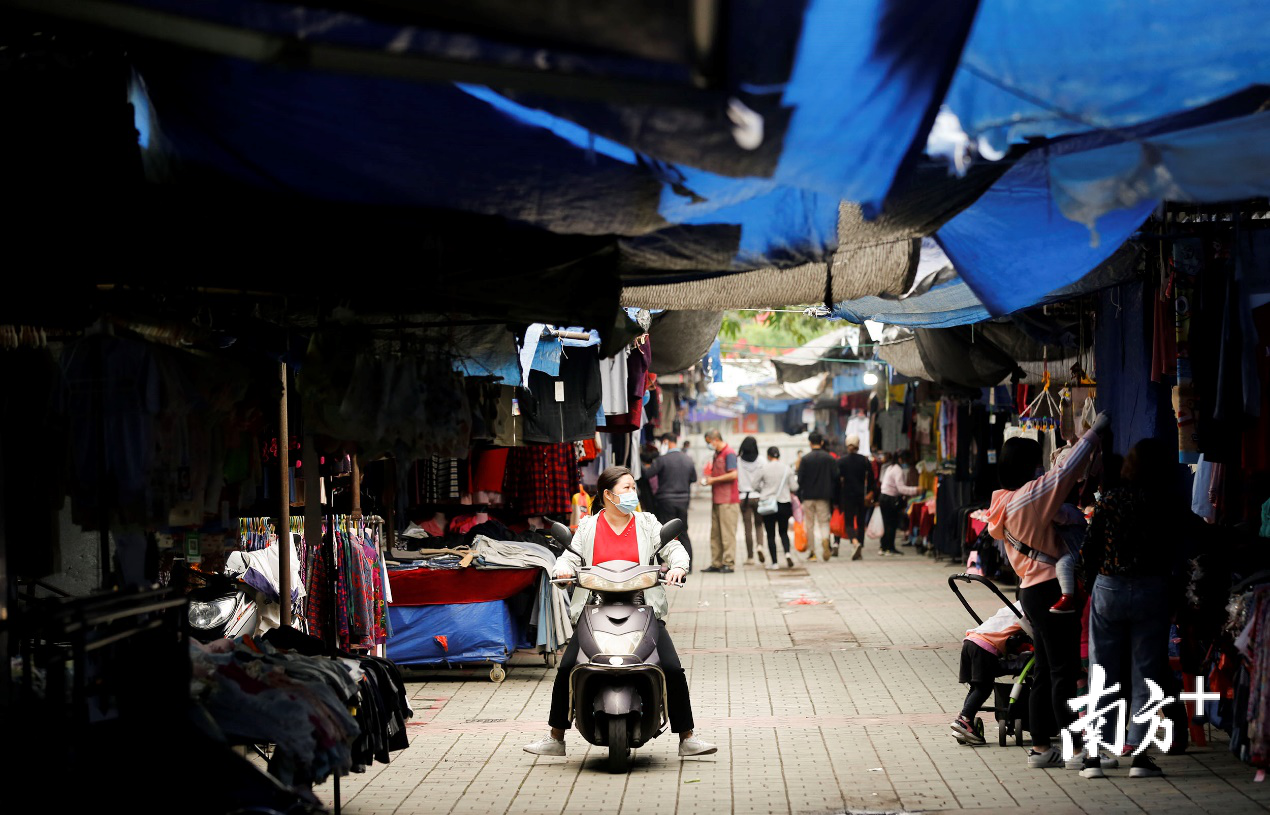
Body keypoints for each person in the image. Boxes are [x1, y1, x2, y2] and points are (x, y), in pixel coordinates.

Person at [524, 466, 717, 759]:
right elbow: (569, 556)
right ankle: (556, 736)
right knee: (566, 669)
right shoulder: (588, 527)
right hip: (594, 608)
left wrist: (678, 566)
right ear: (608, 495)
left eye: (633, 488)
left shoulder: (647, 523)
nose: (632, 494)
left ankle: (687, 736)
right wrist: (562, 568)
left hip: (642, 607)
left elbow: (674, 550)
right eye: (626, 488)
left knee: (672, 667)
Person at [987, 411, 1119, 773]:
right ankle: (1078, 750)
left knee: (1045, 671)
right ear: (1027, 467)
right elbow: (1064, 474)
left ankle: (1042, 748)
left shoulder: (1001, 503)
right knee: (1062, 671)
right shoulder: (1028, 498)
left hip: (1031, 591)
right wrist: (1094, 432)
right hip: (1051, 591)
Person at [1076, 437, 1196, 779]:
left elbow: (1088, 550)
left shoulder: (1110, 500)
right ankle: (1140, 758)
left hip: (1109, 589)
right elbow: (1184, 545)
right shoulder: (1165, 503)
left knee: (1102, 672)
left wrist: (1092, 584)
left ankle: (1093, 758)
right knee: (1147, 674)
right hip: (1151, 589)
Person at [951, 607, 1034, 745]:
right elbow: (1034, 635)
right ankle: (964, 721)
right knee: (984, 688)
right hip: (984, 647)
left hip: (970, 642)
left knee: (976, 687)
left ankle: (965, 721)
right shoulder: (1027, 612)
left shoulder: (1011, 608)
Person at [641, 432, 696, 566]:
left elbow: (648, 474)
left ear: (665, 442)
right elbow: (693, 478)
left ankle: (665, 563)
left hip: (666, 500)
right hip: (683, 500)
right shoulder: (687, 459)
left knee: (666, 532)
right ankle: (688, 564)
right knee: (683, 531)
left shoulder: (662, 460)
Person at [751, 446, 798, 570]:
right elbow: (794, 487)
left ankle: (775, 562)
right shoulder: (787, 468)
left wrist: (764, 491)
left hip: (768, 505)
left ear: (768, 456)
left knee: (770, 534)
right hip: (784, 503)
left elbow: (754, 485)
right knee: (783, 532)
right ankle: (787, 553)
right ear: (779, 456)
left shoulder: (763, 468)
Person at [700, 429, 739, 573]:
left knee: (727, 534)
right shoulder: (717, 453)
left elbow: (734, 474)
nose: (709, 445)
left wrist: (713, 480)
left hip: (728, 501)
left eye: (709, 442)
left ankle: (728, 563)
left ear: (715, 439)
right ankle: (716, 563)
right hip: (717, 499)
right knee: (715, 533)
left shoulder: (729, 453)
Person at [796, 431, 837, 562]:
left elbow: (800, 479)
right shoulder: (829, 458)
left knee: (810, 525)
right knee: (824, 522)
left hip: (808, 496)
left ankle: (812, 552)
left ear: (810, 443)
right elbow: (835, 477)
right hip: (824, 496)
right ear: (822, 442)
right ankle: (825, 541)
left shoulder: (805, 459)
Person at [836, 434, 877, 561]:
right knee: (860, 522)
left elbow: (837, 481)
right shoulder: (865, 461)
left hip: (847, 495)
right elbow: (871, 480)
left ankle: (854, 542)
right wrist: (871, 492)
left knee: (848, 522)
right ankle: (860, 546)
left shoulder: (841, 461)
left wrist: (836, 499)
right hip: (862, 496)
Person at [877, 450, 923, 556]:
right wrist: (916, 490)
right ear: (901, 459)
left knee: (886, 523)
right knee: (891, 524)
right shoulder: (898, 470)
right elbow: (901, 489)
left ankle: (883, 547)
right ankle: (890, 548)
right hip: (890, 499)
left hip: (884, 497)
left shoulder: (890, 467)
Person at [736, 436, 766, 565]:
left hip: (744, 498)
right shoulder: (761, 460)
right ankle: (760, 545)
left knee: (747, 528)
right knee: (759, 525)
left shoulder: (738, 461)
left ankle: (750, 557)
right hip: (758, 496)